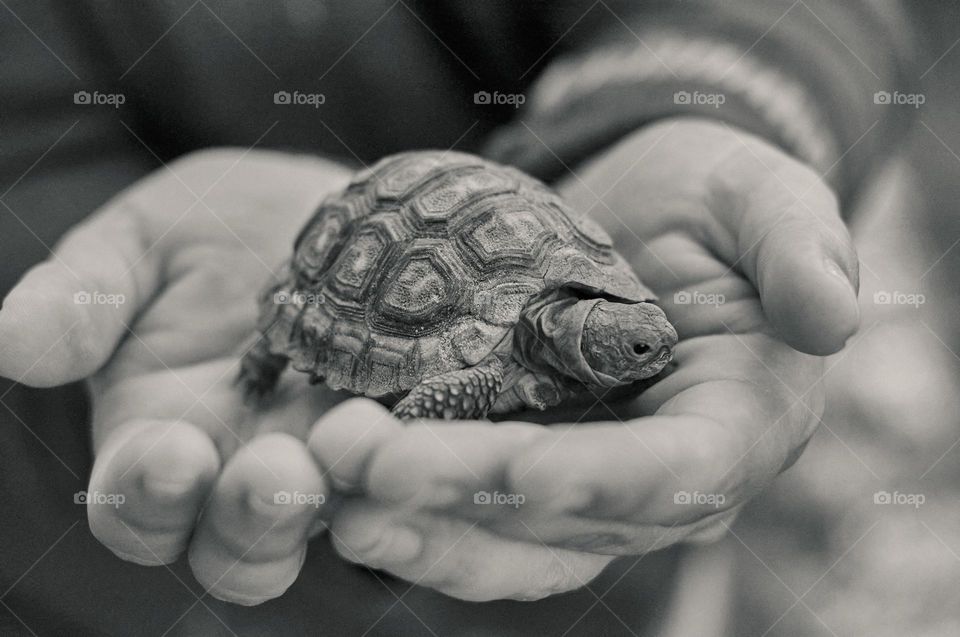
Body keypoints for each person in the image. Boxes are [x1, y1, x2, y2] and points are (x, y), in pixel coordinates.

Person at [0, 0, 916, 633]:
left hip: (616, 597)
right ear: (572, 337)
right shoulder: (488, 367)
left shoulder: (609, 289)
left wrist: (704, 100)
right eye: (633, 346)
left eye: (641, 344)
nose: (650, 352)